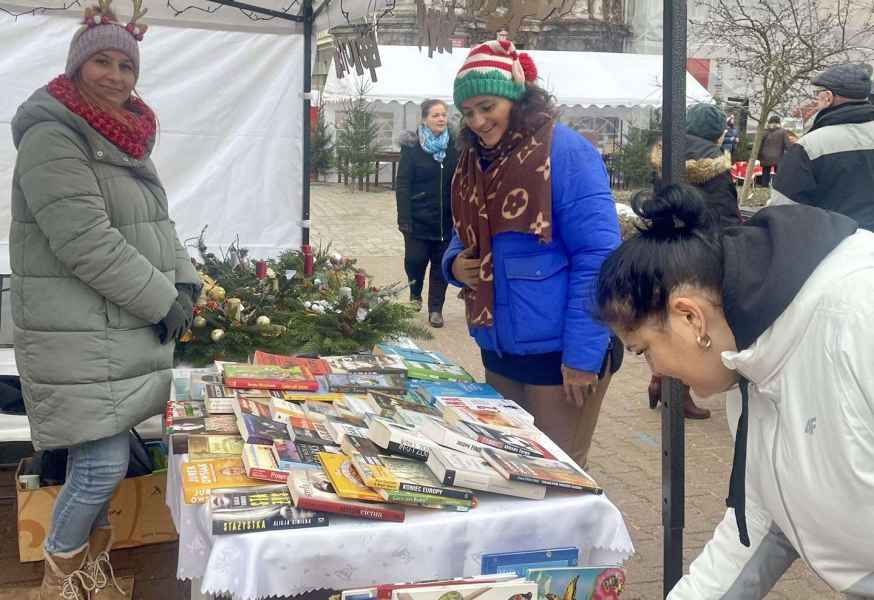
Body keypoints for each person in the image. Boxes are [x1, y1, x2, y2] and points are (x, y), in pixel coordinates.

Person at [596, 184, 874, 599]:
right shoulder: (747, 353)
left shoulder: (858, 316)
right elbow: (765, 513)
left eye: (644, 351)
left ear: (690, 318)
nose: (655, 370)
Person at [9, 2, 199, 598]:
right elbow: (84, 240)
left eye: (126, 64)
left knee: (102, 465)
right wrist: (159, 298)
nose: (116, 75)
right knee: (98, 466)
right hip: (81, 327)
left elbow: (156, 224)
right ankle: (60, 584)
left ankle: (86, 576)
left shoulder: (122, 138)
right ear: (76, 66)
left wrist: (185, 279)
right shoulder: (52, 136)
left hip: (109, 326)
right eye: (102, 61)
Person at [442, 39, 621, 468]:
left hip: (558, 354)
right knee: (508, 466)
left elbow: (599, 256)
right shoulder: (474, 161)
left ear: (517, 97)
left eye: (487, 106)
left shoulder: (566, 151)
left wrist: (582, 355)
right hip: (499, 346)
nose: (478, 121)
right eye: (468, 113)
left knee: (557, 472)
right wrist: (454, 264)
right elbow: (463, 229)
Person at [647, 102, 742, 419]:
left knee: (670, 318)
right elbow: (724, 218)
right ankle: (681, 388)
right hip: (701, 254)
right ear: (717, 133)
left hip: (668, 249)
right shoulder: (714, 165)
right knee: (696, 327)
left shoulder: (668, 156)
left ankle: (660, 377)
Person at [770, 63, 874, 230]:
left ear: (828, 97)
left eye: (817, 94)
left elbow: (783, 211)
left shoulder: (810, 145)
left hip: (834, 246)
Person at [395, 99, 458, 328]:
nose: (441, 119)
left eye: (443, 115)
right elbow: (402, 184)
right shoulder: (412, 148)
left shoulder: (455, 147)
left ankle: (435, 309)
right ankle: (414, 294)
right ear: (424, 119)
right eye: (435, 115)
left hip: (446, 220)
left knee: (441, 265)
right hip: (417, 218)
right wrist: (404, 218)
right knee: (415, 260)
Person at [757, 115, 791, 187]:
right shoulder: (783, 132)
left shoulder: (765, 131)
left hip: (765, 156)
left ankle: (764, 185)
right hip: (778, 156)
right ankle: (777, 186)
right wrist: (791, 152)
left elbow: (759, 144)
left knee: (766, 171)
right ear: (779, 122)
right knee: (778, 172)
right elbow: (787, 145)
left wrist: (758, 156)